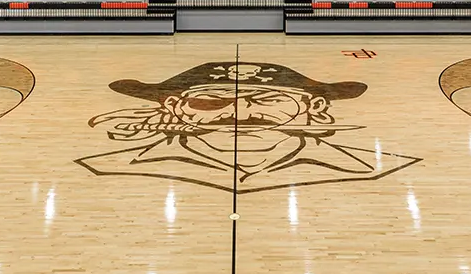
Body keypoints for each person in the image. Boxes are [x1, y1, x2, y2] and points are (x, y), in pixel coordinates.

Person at [77, 61, 418, 192]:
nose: (240, 111)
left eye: (270, 99)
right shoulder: (109, 165)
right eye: (211, 101)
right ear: (173, 107)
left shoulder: (370, 167)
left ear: (313, 108)